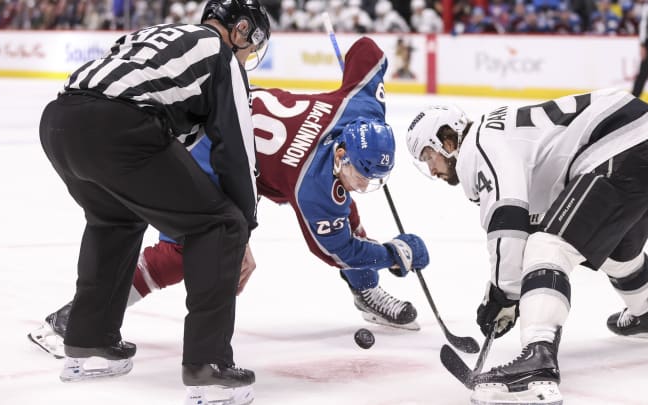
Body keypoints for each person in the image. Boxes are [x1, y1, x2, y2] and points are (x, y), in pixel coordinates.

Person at [30, 37, 430, 357]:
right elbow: (338, 249)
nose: (366, 182)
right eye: (362, 173)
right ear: (341, 153)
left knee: (342, 204)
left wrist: (366, 101)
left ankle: (364, 291)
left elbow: (367, 52)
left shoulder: (358, 107)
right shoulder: (313, 188)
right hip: (208, 159)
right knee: (186, 252)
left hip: (228, 132)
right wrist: (393, 254)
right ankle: (75, 317)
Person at [37, 0, 270, 403]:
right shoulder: (220, 54)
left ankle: (89, 342)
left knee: (115, 218)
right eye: (251, 45)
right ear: (241, 30)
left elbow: (163, 163)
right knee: (221, 224)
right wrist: (243, 226)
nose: (248, 55)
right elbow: (235, 149)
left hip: (60, 120)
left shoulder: (155, 36)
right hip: (118, 125)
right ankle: (207, 366)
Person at [406, 88, 648, 404]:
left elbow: (507, 222)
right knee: (616, 250)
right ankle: (647, 313)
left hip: (617, 154)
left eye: (429, 156)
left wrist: (503, 294)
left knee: (547, 246)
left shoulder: (478, 149)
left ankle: (538, 362)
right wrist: (500, 291)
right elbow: (531, 217)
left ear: (449, 141)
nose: (431, 169)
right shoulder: (497, 134)